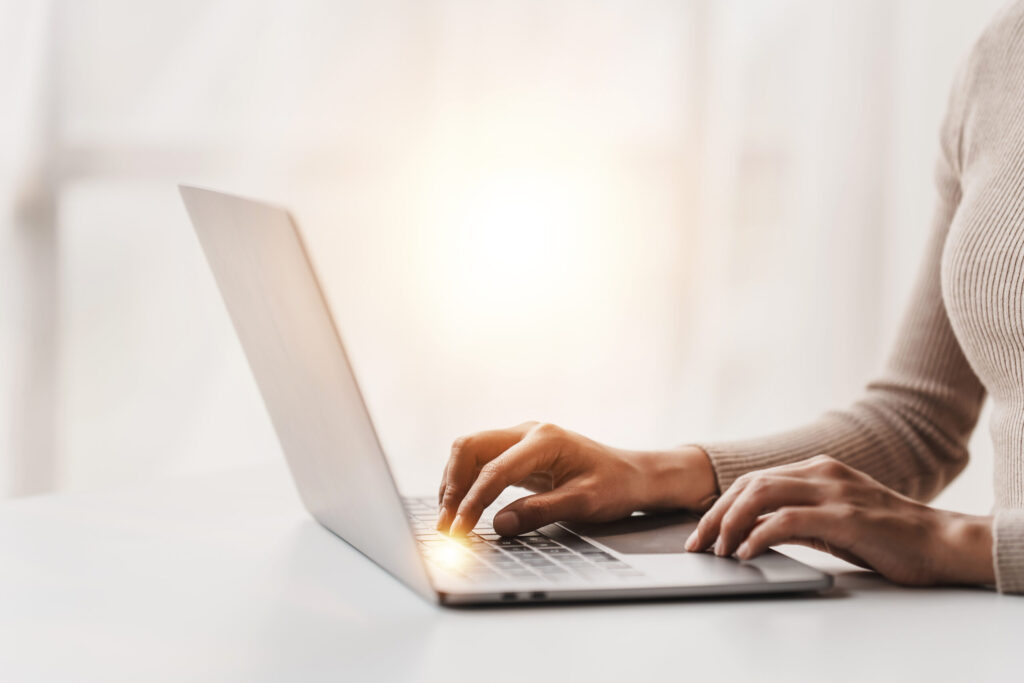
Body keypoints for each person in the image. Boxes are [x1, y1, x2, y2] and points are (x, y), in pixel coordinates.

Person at [434, 3, 1024, 594]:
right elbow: (917, 423)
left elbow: (939, 504)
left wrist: (956, 542)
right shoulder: (1001, 55)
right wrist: (651, 474)